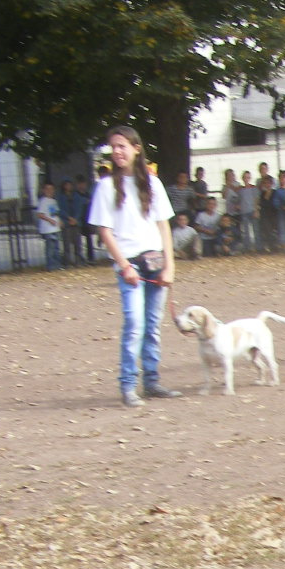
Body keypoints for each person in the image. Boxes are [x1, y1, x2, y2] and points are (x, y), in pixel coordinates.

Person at [88, 125, 180, 406]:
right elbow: (105, 231)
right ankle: (128, 384)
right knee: (135, 324)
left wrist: (170, 265)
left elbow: (163, 225)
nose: (116, 152)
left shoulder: (152, 184)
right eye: (113, 147)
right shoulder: (105, 187)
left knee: (152, 325)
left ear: (136, 148)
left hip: (155, 260)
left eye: (122, 146)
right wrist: (124, 265)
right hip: (130, 266)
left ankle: (151, 381)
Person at [35, 181, 63, 271]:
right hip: (48, 229)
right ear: (44, 190)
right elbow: (40, 214)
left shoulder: (53, 201)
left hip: (55, 227)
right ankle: (51, 266)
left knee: (56, 248)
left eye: (51, 189)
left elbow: (56, 213)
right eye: (47, 189)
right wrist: (50, 220)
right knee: (50, 248)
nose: (50, 191)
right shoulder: (43, 201)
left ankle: (57, 265)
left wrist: (60, 221)